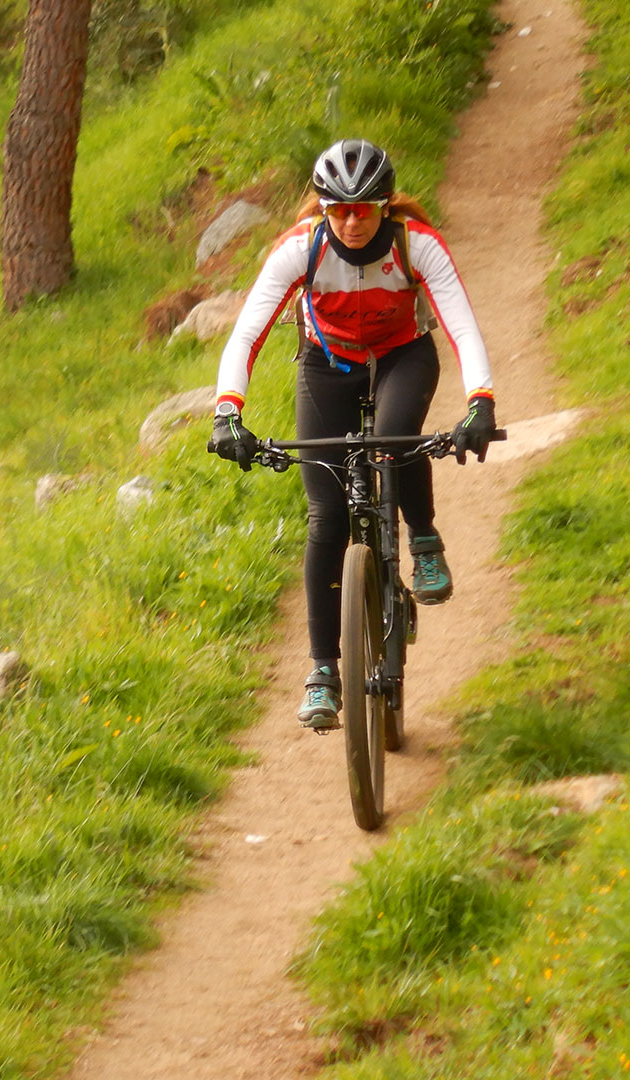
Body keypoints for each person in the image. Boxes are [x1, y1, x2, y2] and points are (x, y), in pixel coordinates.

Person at [205, 138, 497, 731]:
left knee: (394, 438)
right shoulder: (300, 249)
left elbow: (461, 326)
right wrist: (227, 412)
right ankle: (321, 672)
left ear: (386, 206)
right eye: (337, 208)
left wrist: (480, 402)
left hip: (401, 358)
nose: (350, 220)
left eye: (363, 208)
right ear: (321, 207)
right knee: (326, 517)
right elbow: (246, 336)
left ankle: (422, 539)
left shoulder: (418, 245)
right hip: (327, 365)